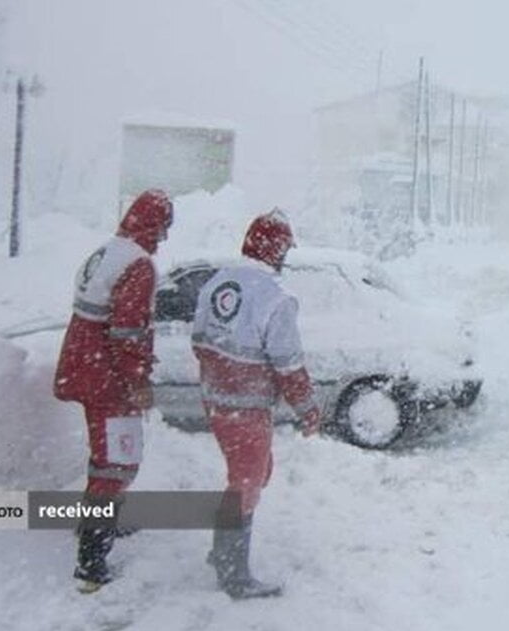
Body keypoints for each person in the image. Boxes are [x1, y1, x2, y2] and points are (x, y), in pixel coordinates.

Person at [191, 209, 321, 599]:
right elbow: (289, 363)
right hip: (246, 406)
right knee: (246, 482)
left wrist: (220, 376)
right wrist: (307, 408)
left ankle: (222, 550)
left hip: (216, 401)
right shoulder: (275, 298)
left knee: (256, 474)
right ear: (276, 249)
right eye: (284, 249)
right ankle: (233, 572)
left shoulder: (218, 281)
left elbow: (198, 339)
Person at [53, 188, 174, 591]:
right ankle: (91, 561)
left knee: (103, 456)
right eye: (164, 228)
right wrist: (137, 381)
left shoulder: (108, 251)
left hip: (84, 365)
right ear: (153, 224)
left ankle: (97, 522)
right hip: (108, 376)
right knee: (117, 462)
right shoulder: (139, 265)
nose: (164, 238)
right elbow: (128, 332)